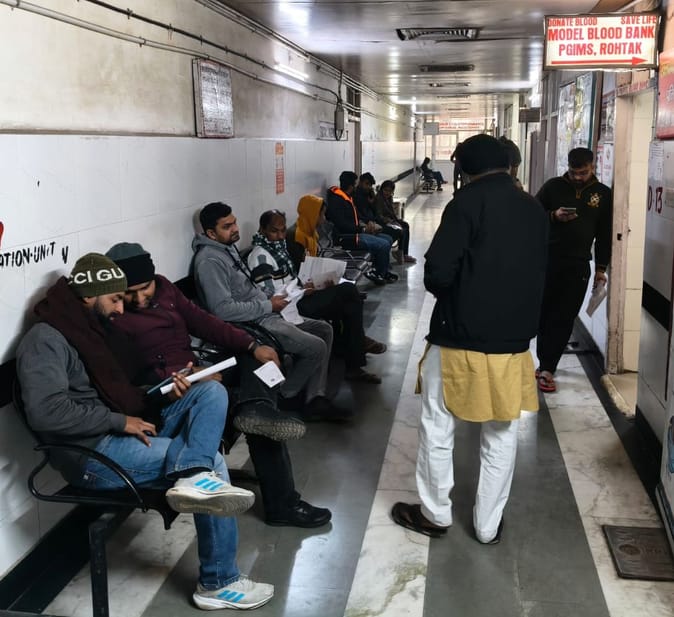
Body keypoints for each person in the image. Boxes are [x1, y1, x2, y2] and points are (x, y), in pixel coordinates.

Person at [15, 253, 274, 610]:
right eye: (115, 299)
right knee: (212, 463)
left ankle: (192, 473)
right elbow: (47, 412)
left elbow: (121, 391)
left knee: (210, 391)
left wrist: (168, 388)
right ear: (89, 295)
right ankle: (218, 583)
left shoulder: (90, 329)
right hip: (92, 452)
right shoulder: (45, 339)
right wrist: (119, 422)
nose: (121, 308)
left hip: (120, 427)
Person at [390, 134, 548, 544]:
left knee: (437, 426)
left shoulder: (466, 204)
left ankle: (435, 514)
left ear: (465, 167)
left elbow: (438, 274)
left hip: (459, 338)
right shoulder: (533, 208)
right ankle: (487, 525)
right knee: (501, 432)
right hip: (513, 343)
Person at [105, 242, 331, 528]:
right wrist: (189, 375)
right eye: (129, 292)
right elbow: (132, 372)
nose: (138, 298)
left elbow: (204, 322)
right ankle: (283, 504)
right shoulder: (113, 314)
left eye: (144, 288)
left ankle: (256, 408)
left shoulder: (165, 289)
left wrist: (251, 345)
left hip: (196, 371)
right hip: (168, 391)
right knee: (255, 416)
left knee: (253, 367)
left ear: (153, 279)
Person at [192, 202, 351, 422]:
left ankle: (315, 396)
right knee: (316, 347)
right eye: (227, 226)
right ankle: (283, 396)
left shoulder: (226, 248)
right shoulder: (209, 261)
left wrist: (276, 298)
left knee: (324, 329)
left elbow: (247, 289)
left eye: (234, 222)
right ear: (211, 233)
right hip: (254, 323)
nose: (235, 229)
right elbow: (222, 310)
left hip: (266, 311)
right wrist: (268, 305)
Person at [247, 208, 386, 384]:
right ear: (262, 230)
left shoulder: (279, 249)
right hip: (288, 308)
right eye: (274, 231)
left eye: (282, 230)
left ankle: (353, 350)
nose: (280, 236)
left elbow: (290, 281)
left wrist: (307, 285)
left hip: (298, 297)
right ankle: (355, 349)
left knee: (347, 301)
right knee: (348, 294)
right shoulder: (261, 257)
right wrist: (302, 291)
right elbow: (271, 296)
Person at [535, 147, 612, 393]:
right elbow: (532, 216)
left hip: (578, 265)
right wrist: (553, 216)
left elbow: (605, 235)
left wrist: (601, 268)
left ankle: (548, 367)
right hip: (548, 261)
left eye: (583, 172)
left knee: (565, 316)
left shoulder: (603, 194)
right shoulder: (553, 187)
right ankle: (544, 360)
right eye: (573, 172)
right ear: (567, 167)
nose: (578, 177)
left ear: (592, 166)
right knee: (545, 313)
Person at [325, 170, 398, 286]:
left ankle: (381, 271)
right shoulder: (337, 201)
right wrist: (363, 229)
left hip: (356, 232)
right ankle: (380, 273)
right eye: (355, 184)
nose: (356, 187)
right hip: (349, 238)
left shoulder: (347, 198)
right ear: (351, 186)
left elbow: (356, 216)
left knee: (388, 239)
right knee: (383, 244)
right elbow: (342, 225)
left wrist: (367, 224)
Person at [373, 180, 416, 264]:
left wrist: (396, 221)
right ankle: (400, 253)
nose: (387, 193)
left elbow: (391, 212)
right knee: (400, 230)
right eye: (385, 190)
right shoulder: (379, 199)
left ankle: (403, 253)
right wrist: (390, 221)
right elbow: (379, 215)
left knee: (405, 225)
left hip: (390, 221)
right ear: (382, 190)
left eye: (389, 191)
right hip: (382, 223)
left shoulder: (388, 199)